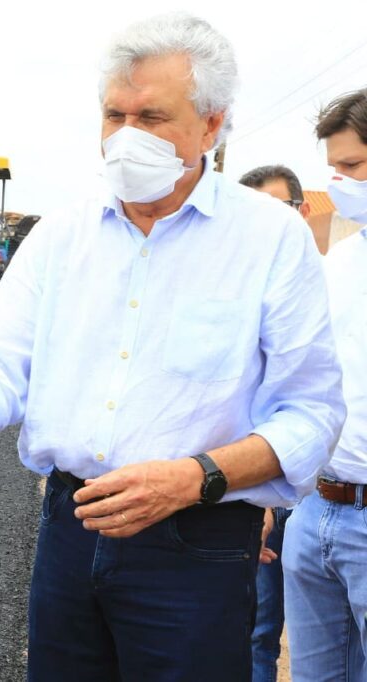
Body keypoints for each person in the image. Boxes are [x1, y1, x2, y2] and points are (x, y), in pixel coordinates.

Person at [0, 13, 345, 680]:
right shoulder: (62, 236)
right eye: (115, 115)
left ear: (211, 126)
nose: (126, 136)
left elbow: (311, 414)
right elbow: (0, 374)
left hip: (197, 544)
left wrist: (193, 477)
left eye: (152, 117)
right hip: (71, 530)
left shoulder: (269, 240)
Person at [284, 87, 367, 682]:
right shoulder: (338, 262)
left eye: (353, 166)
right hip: (316, 511)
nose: (340, 183)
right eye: (334, 169)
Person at [237, 164, 309, 682]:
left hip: (320, 496)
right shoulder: (232, 301)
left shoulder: (333, 286)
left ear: (301, 213)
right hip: (252, 494)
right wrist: (259, 497)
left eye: (278, 210)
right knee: (254, 631)